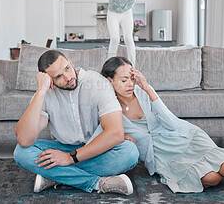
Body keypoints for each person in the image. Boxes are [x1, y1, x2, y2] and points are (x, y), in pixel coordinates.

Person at [100, 56, 224, 193]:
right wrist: (121, 136)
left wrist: (148, 89)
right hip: (163, 157)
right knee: (213, 179)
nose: (130, 84)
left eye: (132, 78)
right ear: (110, 81)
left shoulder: (143, 93)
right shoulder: (108, 108)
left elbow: (172, 123)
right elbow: (101, 134)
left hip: (183, 138)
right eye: (124, 80)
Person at [13, 50, 139, 195]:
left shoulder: (97, 82)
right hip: (63, 148)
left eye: (67, 68)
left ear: (71, 63)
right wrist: (41, 91)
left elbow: (115, 133)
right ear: (49, 80)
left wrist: (69, 158)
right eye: (58, 76)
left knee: (129, 152)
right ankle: (98, 183)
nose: (68, 77)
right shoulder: (46, 93)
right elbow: (24, 139)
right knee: (22, 152)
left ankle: (57, 177)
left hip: (96, 148)